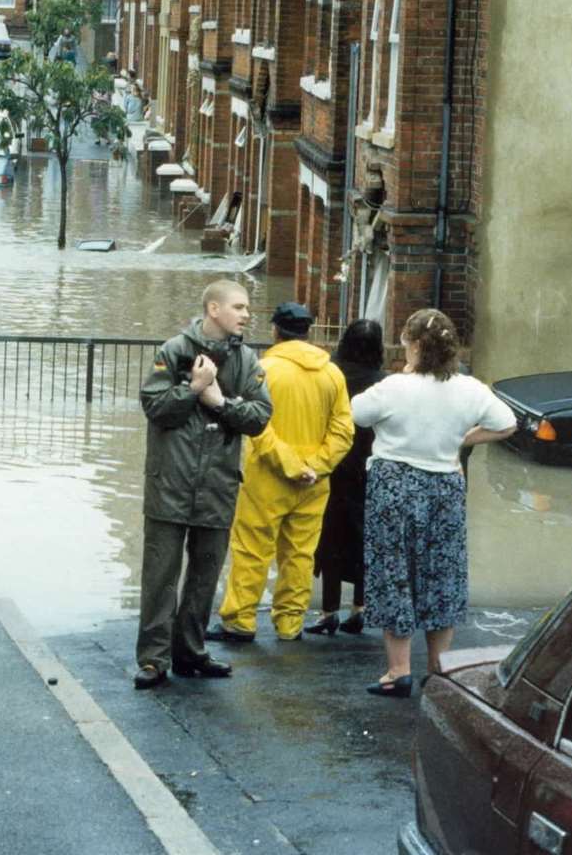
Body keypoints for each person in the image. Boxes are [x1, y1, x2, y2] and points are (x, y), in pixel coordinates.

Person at [350, 309, 516, 698]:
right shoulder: (470, 389)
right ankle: (440, 669)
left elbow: (357, 414)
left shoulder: (393, 387)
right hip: (444, 484)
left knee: (394, 571)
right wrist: (462, 440)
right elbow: (507, 424)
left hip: (394, 485)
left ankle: (398, 670)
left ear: (414, 345)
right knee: (442, 574)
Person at [134, 280, 273, 690]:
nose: (247, 315)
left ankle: (190, 652)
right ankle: (153, 659)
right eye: (239, 307)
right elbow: (155, 408)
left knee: (205, 574)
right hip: (170, 483)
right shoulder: (175, 350)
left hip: (217, 483)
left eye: (247, 308)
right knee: (160, 575)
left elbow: (261, 416)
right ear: (214, 309)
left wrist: (220, 402)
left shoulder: (247, 360)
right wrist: (192, 389)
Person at [213, 303, 353, 643]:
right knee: (300, 553)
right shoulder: (332, 373)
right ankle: (290, 623)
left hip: (267, 476)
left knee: (251, 548)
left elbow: (257, 425)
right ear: (309, 331)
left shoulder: (263, 370)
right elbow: (343, 431)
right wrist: (315, 467)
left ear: (276, 330)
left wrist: (290, 464)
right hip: (315, 482)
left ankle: (240, 620)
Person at [306, 319, 387, 636]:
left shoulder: (330, 375)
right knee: (364, 536)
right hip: (370, 467)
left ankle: (328, 611)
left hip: (333, 465)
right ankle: (360, 608)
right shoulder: (383, 382)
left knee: (330, 538)